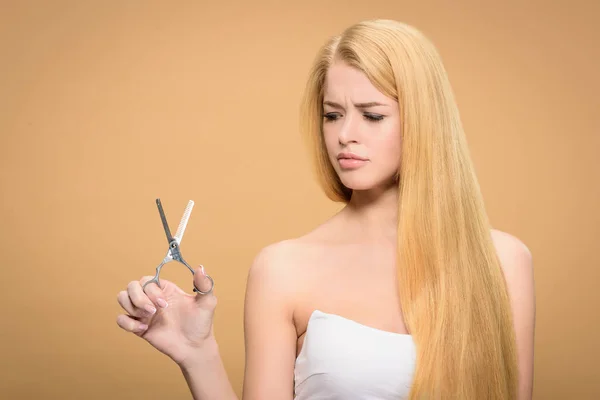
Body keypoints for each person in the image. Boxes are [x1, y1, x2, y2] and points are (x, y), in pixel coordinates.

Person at [116, 19, 536, 400]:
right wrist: (197, 353)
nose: (345, 135)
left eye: (372, 116)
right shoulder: (282, 268)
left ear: (425, 122)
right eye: (332, 115)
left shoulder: (503, 262)